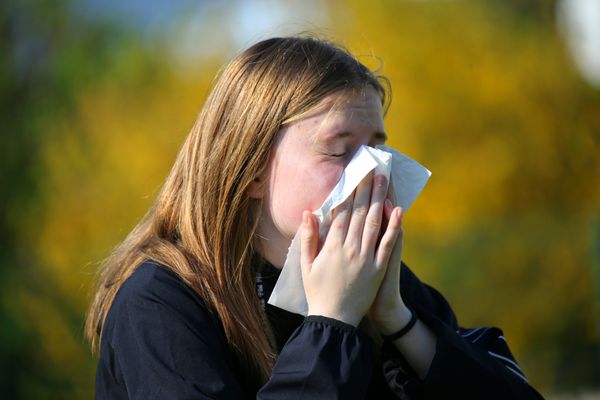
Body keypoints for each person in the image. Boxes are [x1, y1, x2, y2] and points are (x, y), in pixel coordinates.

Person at [86, 36, 544, 399]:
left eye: (377, 149)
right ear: (251, 170)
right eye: (340, 150)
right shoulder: (162, 303)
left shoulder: (377, 283)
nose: (372, 173)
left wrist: (399, 321)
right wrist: (332, 321)